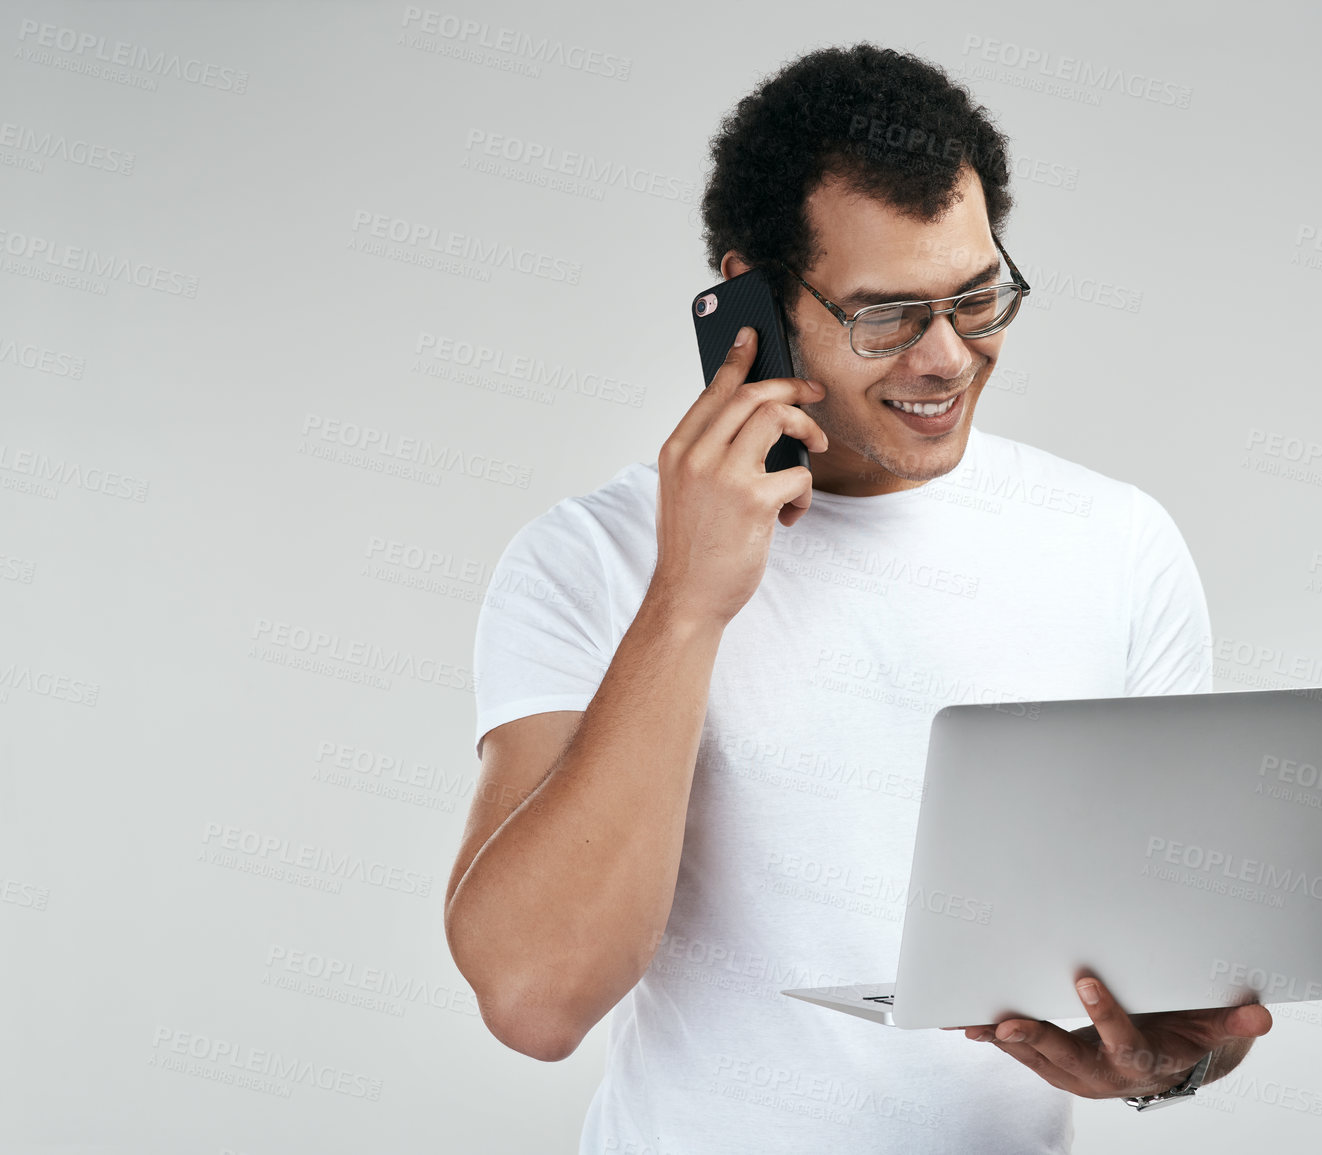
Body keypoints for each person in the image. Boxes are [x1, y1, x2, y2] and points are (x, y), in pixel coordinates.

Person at [443, 42, 1271, 1153]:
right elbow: (538, 1000)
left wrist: (1173, 1062)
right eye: (887, 315)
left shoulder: (1118, 543)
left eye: (978, 298)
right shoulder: (590, 559)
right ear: (754, 300)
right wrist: (688, 600)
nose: (947, 359)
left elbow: (1177, 980)